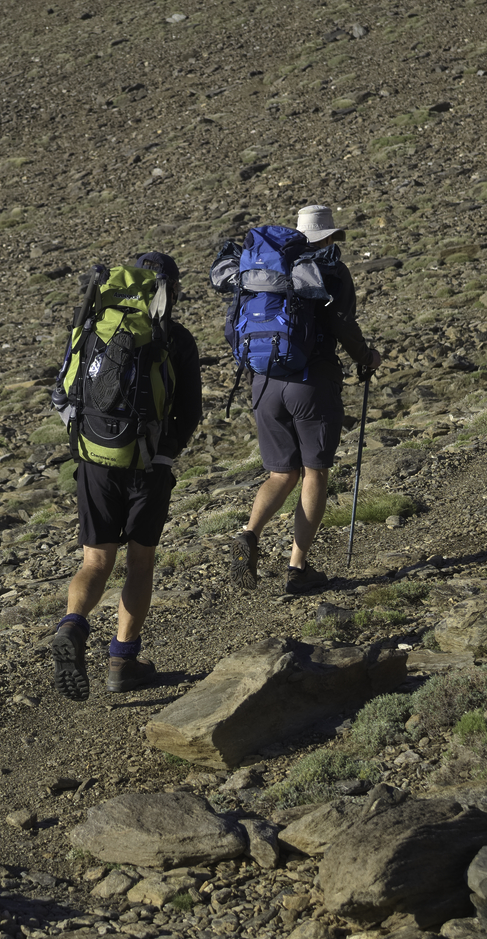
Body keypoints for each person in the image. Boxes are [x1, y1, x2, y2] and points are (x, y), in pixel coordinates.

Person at [48, 252, 203, 700]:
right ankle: (123, 661)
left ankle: (73, 625)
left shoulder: (95, 329)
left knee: (95, 561)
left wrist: (90, 445)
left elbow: (63, 393)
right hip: (147, 465)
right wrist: (163, 455)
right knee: (139, 561)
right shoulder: (175, 338)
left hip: (95, 460)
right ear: (169, 290)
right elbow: (189, 411)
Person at [226, 204, 380, 595]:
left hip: (263, 382)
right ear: (328, 236)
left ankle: (249, 533)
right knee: (314, 473)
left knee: (281, 473)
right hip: (310, 382)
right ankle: (297, 568)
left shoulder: (262, 272)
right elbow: (342, 324)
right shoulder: (329, 269)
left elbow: (233, 329)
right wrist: (367, 358)